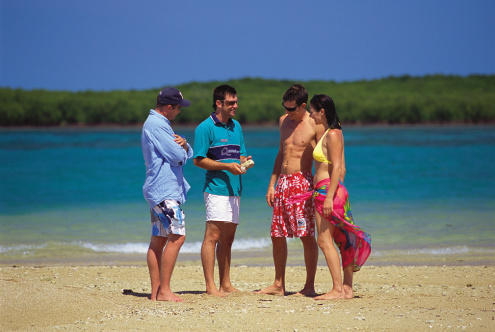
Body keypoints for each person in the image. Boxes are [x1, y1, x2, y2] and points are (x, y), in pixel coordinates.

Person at [289, 94, 371, 300]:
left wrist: (329, 197)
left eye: (313, 110)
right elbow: (340, 167)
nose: (311, 114)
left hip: (328, 191)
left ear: (322, 112)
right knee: (342, 238)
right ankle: (346, 288)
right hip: (330, 190)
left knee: (324, 240)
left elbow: (338, 168)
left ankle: (336, 289)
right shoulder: (331, 133)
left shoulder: (333, 134)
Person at [255, 83, 321, 296]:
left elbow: (324, 158)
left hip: (302, 184)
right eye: (285, 107)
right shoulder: (283, 121)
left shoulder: (314, 125)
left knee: (306, 235)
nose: (287, 112)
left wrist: (323, 187)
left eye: (292, 108)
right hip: (282, 183)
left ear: (303, 106)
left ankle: (309, 285)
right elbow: (281, 154)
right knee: (276, 234)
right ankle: (278, 284)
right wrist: (271, 184)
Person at [193, 84, 251, 297]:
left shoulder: (236, 126)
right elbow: (198, 161)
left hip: (235, 189)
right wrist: (226, 166)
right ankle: (210, 287)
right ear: (219, 103)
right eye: (230, 103)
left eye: (236, 102)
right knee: (212, 237)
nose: (235, 105)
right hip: (216, 189)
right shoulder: (204, 128)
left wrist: (245, 163)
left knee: (228, 238)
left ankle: (225, 284)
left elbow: (241, 155)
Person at [141, 87, 193, 302]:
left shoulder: (156, 124)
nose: (180, 111)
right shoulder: (158, 124)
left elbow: (178, 152)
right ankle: (164, 291)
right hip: (164, 191)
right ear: (169, 107)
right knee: (178, 236)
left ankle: (157, 292)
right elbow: (177, 157)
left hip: (158, 190)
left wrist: (184, 145)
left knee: (159, 239)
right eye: (178, 108)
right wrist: (186, 148)